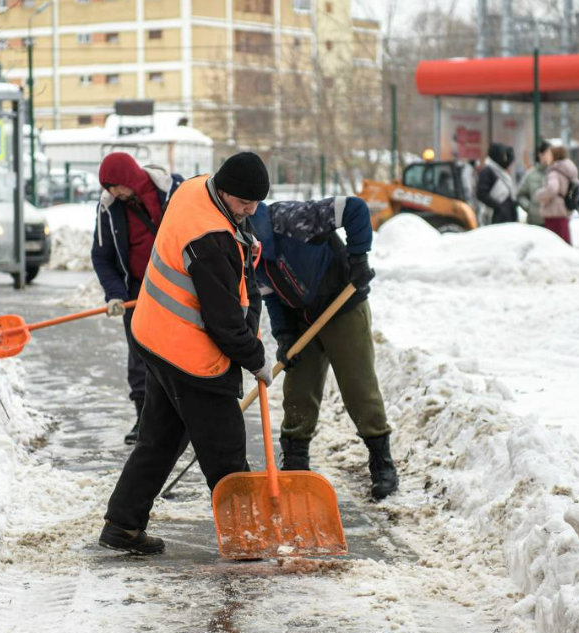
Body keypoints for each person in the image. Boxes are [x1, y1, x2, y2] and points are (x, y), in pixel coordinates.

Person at [98, 152, 273, 555]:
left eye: (256, 203)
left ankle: (122, 525)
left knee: (159, 438)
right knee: (226, 452)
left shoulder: (194, 188)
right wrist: (256, 357)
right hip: (191, 357)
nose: (251, 211)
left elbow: (236, 280)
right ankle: (245, 539)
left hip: (155, 338)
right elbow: (224, 323)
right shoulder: (210, 240)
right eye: (244, 203)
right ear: (225, 191)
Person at [248, 196, 398, 501]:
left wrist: (358, 258)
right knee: (298, 390)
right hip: (302, 319)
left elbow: (355, 208)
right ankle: (295, 462)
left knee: (358, 387)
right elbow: (272, 296)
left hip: (342, 306)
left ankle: (381, 461)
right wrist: (285, 335)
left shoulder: (291, 219)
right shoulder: (246, 255)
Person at [91, 152, 183, 445]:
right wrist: (115, 293)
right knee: (140, 355)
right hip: (138, 293)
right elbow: (102, 256)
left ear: (129, 177)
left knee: (180, 352)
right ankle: (145, 419)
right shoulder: (109, 208)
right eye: (108, 188)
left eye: (115, 185)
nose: (112, 192)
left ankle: (185, 417)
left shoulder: (174, 192)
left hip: (178, 289)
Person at [534, 144, 579, 246]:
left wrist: (539, 194)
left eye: (550, 154)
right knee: (564, 243)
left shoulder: (554, 172)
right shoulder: (568, 171)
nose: (548, 157)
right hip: (563, 211)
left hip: (554, 212)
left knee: (554, 245)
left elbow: (552, 188)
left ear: (554, 156)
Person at [476, 143, 518, 226]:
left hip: (508, 216)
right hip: (494, 217)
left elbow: (509, 160)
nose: (505, 159)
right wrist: (498, 207)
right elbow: (481, 194)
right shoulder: (487, 171)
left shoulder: (502, 171)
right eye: (503, 156)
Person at [517, 140, 553, 228]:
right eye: (548, 153)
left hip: (554, 221)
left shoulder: (556, 173)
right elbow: (520, 195)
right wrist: (529, 208)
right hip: (535, 222)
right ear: (540, 154)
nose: (550, 156)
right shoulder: (530, 174)